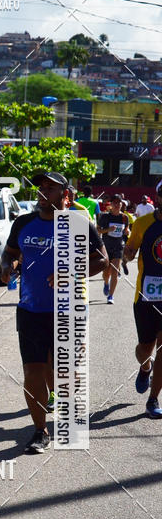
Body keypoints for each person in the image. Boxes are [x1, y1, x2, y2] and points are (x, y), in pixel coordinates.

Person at [1, 171, 108, 454]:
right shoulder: (23, 222)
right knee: (32, 371)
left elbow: (102, 260)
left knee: (64, 372)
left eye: (51, 188)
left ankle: (69, 418)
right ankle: (40, 431)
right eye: (40, 187)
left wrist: (71, 273)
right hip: (30, 309)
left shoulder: (78, 223)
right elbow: (9, 252)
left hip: (67, 311)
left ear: (65, 195)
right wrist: (7, 266)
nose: (43, 192)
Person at [122, 179, 162, 418]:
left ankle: (153, 399)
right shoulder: (143, 223)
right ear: (157, 197)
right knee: (145, 348)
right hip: (146, 296)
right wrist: (125, 256)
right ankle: (145, 367)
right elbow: (131, 247)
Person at [98, 193, 129, 304]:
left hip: (118, 247)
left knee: (115, 271)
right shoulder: (105, 216)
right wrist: (108, 230)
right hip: (106, 248)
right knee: (106, 274)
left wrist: (127, 232)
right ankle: (106, 283)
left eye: (119, 202)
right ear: (111, 204)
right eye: (114, 202)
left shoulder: (125, 217)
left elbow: (126, 231)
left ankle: (111, 296)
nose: (117, 205)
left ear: (122, 204)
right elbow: (98, 231)